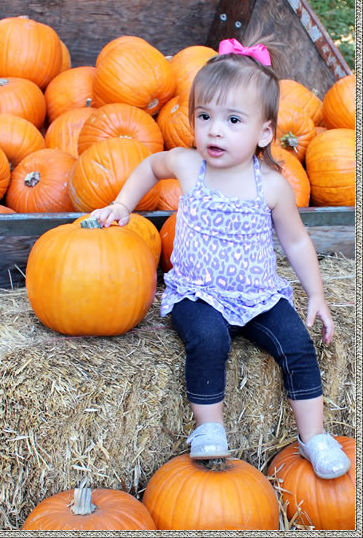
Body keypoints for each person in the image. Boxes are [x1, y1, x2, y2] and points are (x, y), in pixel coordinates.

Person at [91, 36, 351, 479]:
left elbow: (296, 242)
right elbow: (150, 166)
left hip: (257, 296)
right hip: (198, 293)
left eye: (233, 120)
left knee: (298, 345)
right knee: (209, 340)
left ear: (264, 132)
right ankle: (210, 429)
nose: (214, 130)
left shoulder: (270, 185)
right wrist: (122, 204)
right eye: (205, 117)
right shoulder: (189, 165)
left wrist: (317, 294)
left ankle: (314, 437)